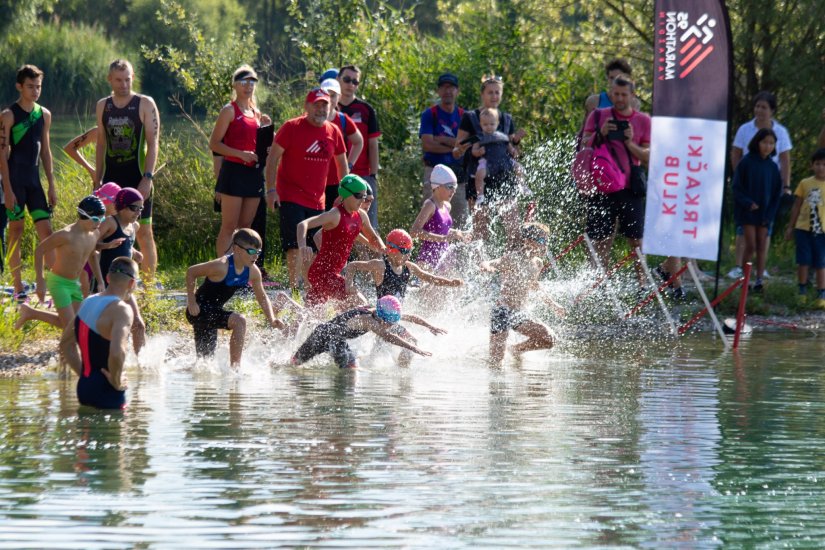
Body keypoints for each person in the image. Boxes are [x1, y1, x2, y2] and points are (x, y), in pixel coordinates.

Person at [265, 87, 348, 290]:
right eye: (316, 104)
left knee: (313, 247)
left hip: (317, 199)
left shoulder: (333, 131)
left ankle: (311, 289)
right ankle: (294, 288)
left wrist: (344, 195)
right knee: (294, 245)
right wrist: (271, 190)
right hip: (290, 194)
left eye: (324, 105)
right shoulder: (291, 127)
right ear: (307, 106)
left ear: (330, 107)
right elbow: (273, 158)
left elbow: (342, 164)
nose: (320, 109)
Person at [581, 74, 651, 289]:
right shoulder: (597, 116)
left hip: (630, 185)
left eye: (624, 94)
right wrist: (600, 134)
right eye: (616, 94)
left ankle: (641, 284)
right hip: (602, 184)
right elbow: (584, 143)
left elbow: (648, 156)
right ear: (610, 93)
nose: (619, 99)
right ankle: (597, 284)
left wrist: (630, 142)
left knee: (636, 239)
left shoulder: (643, 120)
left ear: (632, 95)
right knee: (600, 238)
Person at [94, 59, 160, 281]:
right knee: (110, 227)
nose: (124, 84)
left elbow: (153, 143)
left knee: (143, 231)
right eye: (119, 80)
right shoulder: (103, 105)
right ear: (110, 80)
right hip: (112, 179)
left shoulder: (144, 103)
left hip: (138, 175)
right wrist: (98, 178)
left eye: (128, 79)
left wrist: (148, 178)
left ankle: (149, 286)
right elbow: (101, 144)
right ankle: (115, 279)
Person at [185, 228, 287, 367]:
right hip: (198, 311)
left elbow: (262, 297)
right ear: (236, 249)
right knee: (240, 321)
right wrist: (191, 301)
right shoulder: (221, 266)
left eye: (258, 252)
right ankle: (235, 369)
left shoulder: (253, 271)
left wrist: (272, 319)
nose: (255, 256)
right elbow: (191, 272)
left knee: (204, 364)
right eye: (251, 251)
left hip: (214, 312)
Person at [0, 64, 56, 299]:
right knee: (16, 231)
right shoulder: (8, 115)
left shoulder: (44, 114)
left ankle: (54, 283)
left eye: (39, 87)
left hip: (34, 182)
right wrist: (8, 189)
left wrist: (52, 184)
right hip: (14, 181)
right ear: (19, 87)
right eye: (31, 86)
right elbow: (2, 154)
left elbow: (45, 151)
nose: (35, 91)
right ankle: (19, 286)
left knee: (47, 232)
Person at [59, 256, 140, 410]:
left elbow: (65, 344)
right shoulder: (122, 309)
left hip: (84, 388)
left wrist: (84, 375)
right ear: (132, 283)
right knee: (115, 431)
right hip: (108, 391)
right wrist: (116, 382)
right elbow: (117, 352)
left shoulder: (87, 302)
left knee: (87, 432)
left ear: (108, 278)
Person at [480, 223, 565, 366]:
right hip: (502, 311)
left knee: (549, 339)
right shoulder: (513, 258)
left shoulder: (538, 263)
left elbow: (534, 286)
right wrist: (487, 267)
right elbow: (488, 262)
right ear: (529, 241)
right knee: (496, 363)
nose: (545, 245)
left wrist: (553, 305)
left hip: (519, 313)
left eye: (546, 241)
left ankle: (515, 350)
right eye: (542, 241)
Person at [15, 196, 106, 330]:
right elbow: (39, 251)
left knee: (79, 325)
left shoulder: (94, 234)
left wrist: (100, 281)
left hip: (74, 283)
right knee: (71, 327)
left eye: (102, 219)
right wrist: (40, 280)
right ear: (83, 216)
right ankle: (31, 314)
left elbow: (92, 256)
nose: (99, 224)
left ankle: (30, 312)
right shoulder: (66, 235)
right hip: (58, 282)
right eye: (95, 220)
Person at [728, 91, 793, 279]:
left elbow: (785, 159)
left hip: (769, 185)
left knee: (765, 229)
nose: (759, 110)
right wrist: (740, 176)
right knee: (744, 230)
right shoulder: (745, 129)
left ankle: (760, 270)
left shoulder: (781, 132)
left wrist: (785, 185)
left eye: (764, 107)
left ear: (772, 110)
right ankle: (739, 266)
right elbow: (736, 153)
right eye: (757, 106)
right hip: (748, 186)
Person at [298, 174, 385, 307]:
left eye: (363, 196)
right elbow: (302, 225)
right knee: (358, 301)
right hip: (322, 273)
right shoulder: (334, 215)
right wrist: (303, 246)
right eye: (358, 196)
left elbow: (373, 238)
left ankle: (282, 305)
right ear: (346, 194)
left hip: (330, 272)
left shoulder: (361, 216)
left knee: (310, 314)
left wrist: (385, 248)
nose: (362, 200)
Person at [209, 66, 269, 257]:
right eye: (243, 82)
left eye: (252, 82)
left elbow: (259, 145)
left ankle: (241, 269)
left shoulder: (257, 113)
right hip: (234, 172)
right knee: (229, 226)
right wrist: (240, 154)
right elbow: (214, 144)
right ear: (235, 85)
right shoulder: (229, 110)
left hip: (253, 174)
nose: (248, 86)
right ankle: (222, 270)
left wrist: (268, 134)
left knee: (246, 226)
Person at [291, 295, 438, 369]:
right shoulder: (368, 320)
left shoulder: (380, 312)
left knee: (352, 367)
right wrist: (414, 348)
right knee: (294, 364)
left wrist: (430, 326)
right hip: (324, 335)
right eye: (388, 322)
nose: (390, 325)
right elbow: (389, 336)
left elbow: (410, 316)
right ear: (381, 317)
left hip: (336, 338)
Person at [452, 75, 526, 209]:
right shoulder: (470, 117)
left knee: (513, 227)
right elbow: (456, 151)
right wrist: (464, 149)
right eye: (490, 92)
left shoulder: (506, 119)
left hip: (504, 176)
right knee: (481, 228)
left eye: (497, 92)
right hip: (478, 178)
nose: (494, 96)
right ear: (482, 94)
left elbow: (516, 153)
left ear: (501, 94)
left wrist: (516, 141)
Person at [344, 228, 462, 301]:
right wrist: (349, 285)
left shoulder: (409, 267)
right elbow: (352, 265)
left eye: (410, 251)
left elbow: (430, 278)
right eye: (405, 251)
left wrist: (450, 283)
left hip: (396, 316)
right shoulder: (380, 266)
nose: (409, 255)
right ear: (392, 250)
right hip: (383, 317)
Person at [732, 128, 782, 292]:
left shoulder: (773, 167)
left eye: (771, 143)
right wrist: (747, 203)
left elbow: (776, 194)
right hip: (748, 211)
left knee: (761, 246)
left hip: (765, 213)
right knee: (751, 245)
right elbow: (737, 187)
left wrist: (770, 214)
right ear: (757, 142)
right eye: (764, 142)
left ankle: (759, 280)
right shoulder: (747, 162)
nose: (767, 146)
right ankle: (744, 279)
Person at [419, 72, 469, 227]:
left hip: (459, 178)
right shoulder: (430, 114)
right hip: (434, 175)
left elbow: (467, 146)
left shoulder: (464, 116)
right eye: (444, 87)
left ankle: (457, 252)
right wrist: (455, 146)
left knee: (460, 221)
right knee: (431, 220)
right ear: (438, 91)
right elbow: (427, 144)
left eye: (451, 87)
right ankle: (427, 251)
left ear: (457, 91)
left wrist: (441, 140)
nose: (448, 91)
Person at [337, 65, 381, 229]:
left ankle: (374, 255)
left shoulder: (366, 109)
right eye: (347, 80)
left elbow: (372, 144)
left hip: (363, 175)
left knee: (367, 224)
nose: (351, 84)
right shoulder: (329, 108)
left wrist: (374, 175)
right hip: (335, 177)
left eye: (355, 81)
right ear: (338, 80)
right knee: (338, 222)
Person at [784, 148, 825, 308]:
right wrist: (790, 227)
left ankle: (821, 292)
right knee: (803, 261)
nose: (821, 167)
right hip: (803, 228)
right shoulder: (805, 183)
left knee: (821, 263)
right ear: (811, 166)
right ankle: (802, 291)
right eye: (817, 164)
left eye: (824, 164)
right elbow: (796, 206)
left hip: (822, 231)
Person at [410, 165, 470, 271]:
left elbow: (441, 229)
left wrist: (458, 233)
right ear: (437, 187)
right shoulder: (430, 205)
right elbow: (414, 231)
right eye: (450, 187)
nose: (454, 191)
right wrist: (443, 239)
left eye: (455, 187)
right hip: (428, 259)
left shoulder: (447, 206)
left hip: (444, 257)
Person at [320, 78, 363, 210]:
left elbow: (359, 141)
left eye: (332, 95)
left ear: (338, 97)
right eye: (325, 94)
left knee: (334, 222)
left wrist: (349, 165)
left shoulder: (343, 119)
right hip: (315, 180)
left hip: (337, 182)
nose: (329, 98)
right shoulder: (311, 118)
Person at [96, 188, 144, 282]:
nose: (138, 213)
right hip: (107, 278)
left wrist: (134, 252)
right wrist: (107, 245)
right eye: (134, 208)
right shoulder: (110, 223)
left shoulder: (134, 226)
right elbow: (89, 244)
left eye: (141, 208)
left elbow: (125, 244)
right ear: (122, 207)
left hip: (125, 277)